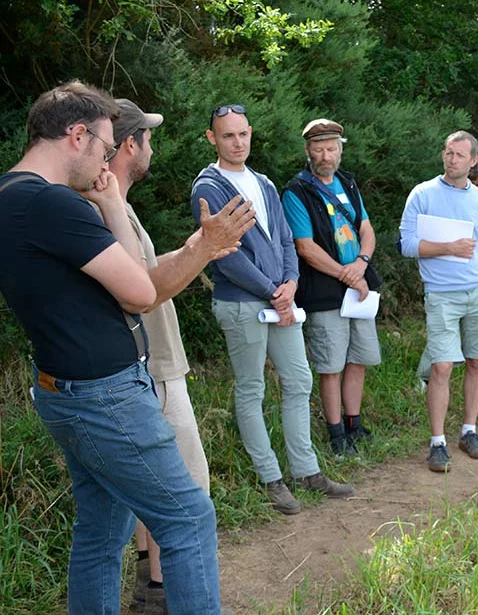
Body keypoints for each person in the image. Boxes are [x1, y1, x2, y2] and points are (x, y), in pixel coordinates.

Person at [0, 81, 228, 615]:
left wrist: (107, 199)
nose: (107, 161)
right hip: (106, 395)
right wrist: (105, 205)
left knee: (104, 528)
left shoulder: (9, 195)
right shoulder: (51, 204)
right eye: (105, 148)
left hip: (64, 388)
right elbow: (140, 293)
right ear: (76, 135)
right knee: (188, 518)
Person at [107, 99, 254, 614]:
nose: (153, 144)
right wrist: (200, 250)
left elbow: (145, 270)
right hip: (153, 369)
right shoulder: (106, 207)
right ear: (130, 146)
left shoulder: (115, 207)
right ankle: (186, 599)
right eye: (148, 136)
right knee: (190, 495)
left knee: (152, 491)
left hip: (148, 366)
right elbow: (145, 291)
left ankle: (156, 588)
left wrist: (201, 246)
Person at [192, 104, 353, 515]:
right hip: (242, 304)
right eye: (227, 135)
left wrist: (291, 285)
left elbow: (284, 239)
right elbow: (225, 255)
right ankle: (271, 478)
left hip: (281, 300)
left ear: (250, 134)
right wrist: (272, 290)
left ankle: (306, 469)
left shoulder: (262, 183)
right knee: (252, 389)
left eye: (242, 134)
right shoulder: (208, 187)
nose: (237, 142)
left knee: (299, 380)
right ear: (213, 138)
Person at [399, 130, 478, 472]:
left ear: (473, 161)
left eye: (459, 154)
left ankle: (469, 430)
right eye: (447, 152)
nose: (451, 159)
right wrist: (448, 248)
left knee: (477, 362)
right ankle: (437, 441)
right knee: (442, 366)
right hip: (442, 293)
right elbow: (407, 245)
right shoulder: (423, 194)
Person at [281, 118, 382, 458]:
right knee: (331, 365)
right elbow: (305, 247)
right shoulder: (297, 191)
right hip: (325, 291)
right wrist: (348, 274)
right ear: (308, 151)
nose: (326, 155)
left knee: (359, 359)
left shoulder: (348, 183)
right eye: (319, 148)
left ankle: (354, 423)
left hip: (359, 286)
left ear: (341, 149)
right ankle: (336, 433)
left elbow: (366, 228)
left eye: (331, 148)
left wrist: (362, 264)